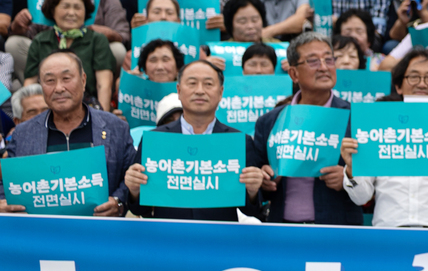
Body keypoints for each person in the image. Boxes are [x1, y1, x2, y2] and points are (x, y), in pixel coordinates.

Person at [342, 49, 428, 227]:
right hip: (391, 231)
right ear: (398, 86)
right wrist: (352, 169)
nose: (422, 84)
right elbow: (361, 197)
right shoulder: (378, 131)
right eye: (413, 77)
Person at [124, 59, 264, 222]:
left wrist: (252, 191)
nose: (200, 91)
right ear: (179, 90)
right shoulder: (156, 141)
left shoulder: (238, 142)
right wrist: (134, 190)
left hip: (221, 235)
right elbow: (140, 209)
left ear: (220, 92)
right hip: (169, 234)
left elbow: (252, 210)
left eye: (208, 84)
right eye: (192, 83)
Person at [0, 51, 134, 216]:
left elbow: (131, 177)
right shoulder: (23, 134)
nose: (59, 88)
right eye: (50, 81)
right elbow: (6, 181)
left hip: (100, 228)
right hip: (42, 229)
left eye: (66, 78)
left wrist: (118, 202)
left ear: (83, 80)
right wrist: (3, 204)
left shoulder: (116, 128)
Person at [248, 31, 361, 225]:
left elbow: (372, 185)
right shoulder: (270, 121)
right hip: (283, 228)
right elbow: (255, 188)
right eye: (313, 61)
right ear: (293, 74)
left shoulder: (355, 118)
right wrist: (264, 180)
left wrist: (347, 177)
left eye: (329, 59)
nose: (324, 67)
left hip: (338, 229)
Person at [22, 0, 116, 110]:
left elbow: (104, 85)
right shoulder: (40, 41)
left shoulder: (97, 40)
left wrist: (102, 117)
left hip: (87, 107)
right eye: (65, 7)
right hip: (48, 107)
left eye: (77, 7)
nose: (71, 13)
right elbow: (30, 84)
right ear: (53, 10)